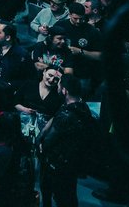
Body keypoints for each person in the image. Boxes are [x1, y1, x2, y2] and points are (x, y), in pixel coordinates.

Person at [37, 74, 95, 207]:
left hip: (58, 164)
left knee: (57, 195)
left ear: (65, 91)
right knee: (69, 195)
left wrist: (41, 144)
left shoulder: (66, 115)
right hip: (73, 162)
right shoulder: (82, 106)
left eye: (59, 86)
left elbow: (50, 139)